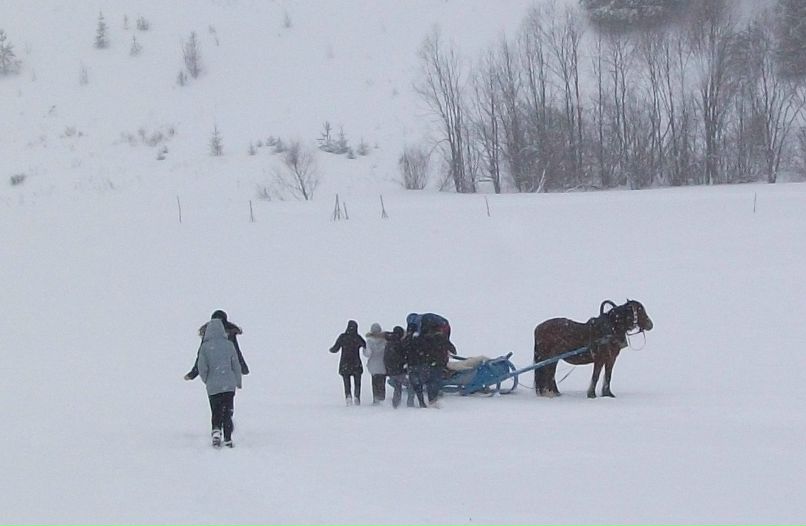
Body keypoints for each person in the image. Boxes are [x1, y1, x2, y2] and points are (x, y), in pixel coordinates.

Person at [196, 318, 243, 448]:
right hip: (229, 385)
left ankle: (216, 431)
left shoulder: (205, 347)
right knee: (228, 411)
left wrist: (207, 380)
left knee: (216, 410)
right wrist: (237, 381)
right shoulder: (229, 345)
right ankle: (228, 437)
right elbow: (236, 365)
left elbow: (202, 367)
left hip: (213, 386)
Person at [185, 310, 249, 381]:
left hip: (212, 379)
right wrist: (243, 368)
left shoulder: (208, 337)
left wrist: (193, 374)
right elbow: (236, 353)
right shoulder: (229, 335)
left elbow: (201, 358)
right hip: (228, 377)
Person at [329, 320, 366, 406]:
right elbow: (365, 345)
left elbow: (335, 348)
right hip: (356, 363)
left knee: (346, 382)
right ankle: (357, 397)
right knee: (357, 382)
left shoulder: (342, 337)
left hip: (345, 363)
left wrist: (330, 350)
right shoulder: (357, 337)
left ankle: (348, 397)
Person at [383, 326, 413, 408]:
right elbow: (403, 357)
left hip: (391, 371)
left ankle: (395, 404)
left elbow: (385, 358)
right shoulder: (399, 344)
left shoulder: (388, 343)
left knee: (397, 387)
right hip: (399, 370)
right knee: (410, 385)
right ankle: (410, 404)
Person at [402, 323, 428, 408]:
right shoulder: (421, 339)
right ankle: (421, 402)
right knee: (419, 384)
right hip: (420, 364)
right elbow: (425, 350)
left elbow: (403, 350)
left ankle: (410, 401)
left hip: (411, 364)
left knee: (412, 384)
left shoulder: (406, 339)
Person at [364, 323, 388, 405]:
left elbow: (368, 354)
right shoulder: (385, 341)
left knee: (374, 382)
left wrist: (364, 351)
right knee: (382, 382)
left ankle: (376, 398)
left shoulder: (369, 341)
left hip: (373, 365)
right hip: (383, 365)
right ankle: (382, 397)